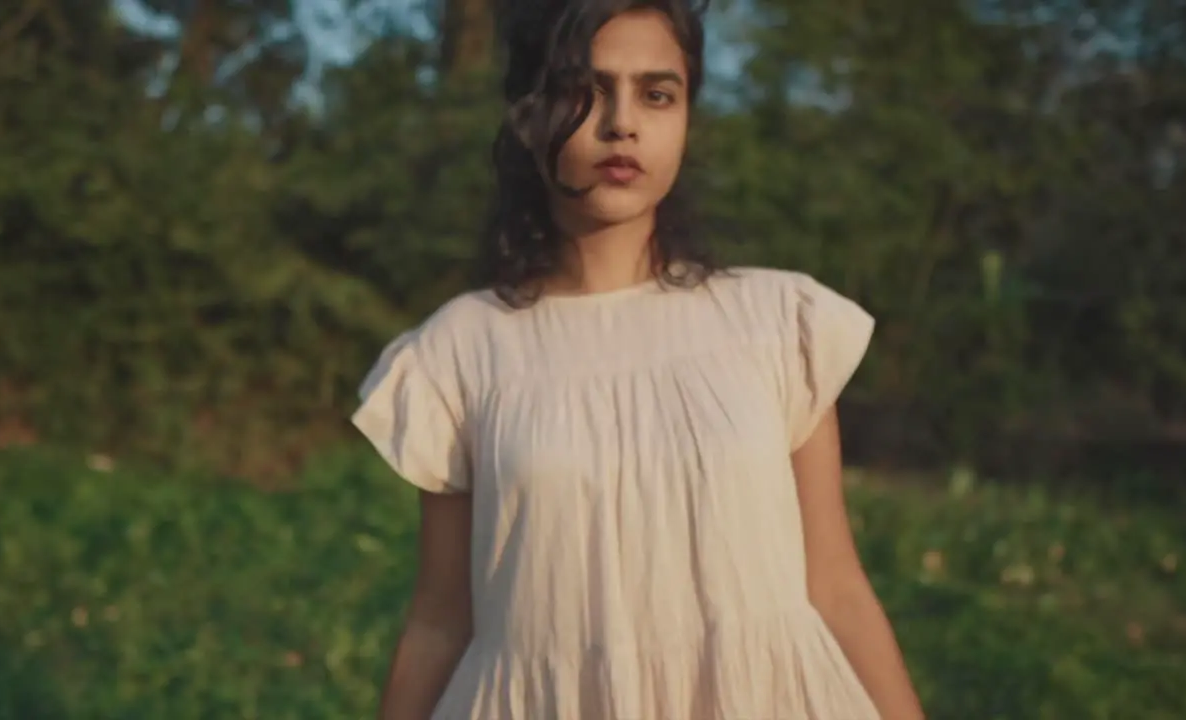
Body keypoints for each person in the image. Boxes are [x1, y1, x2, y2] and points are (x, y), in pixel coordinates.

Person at [352, 0, 925, 717]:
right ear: (528, 117)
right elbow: (441, 620)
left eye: (657, 94)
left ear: (686, 117)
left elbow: (836, 586)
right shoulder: (458, 353)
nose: (621, 122)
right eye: (583, 91)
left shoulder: (780, 325)